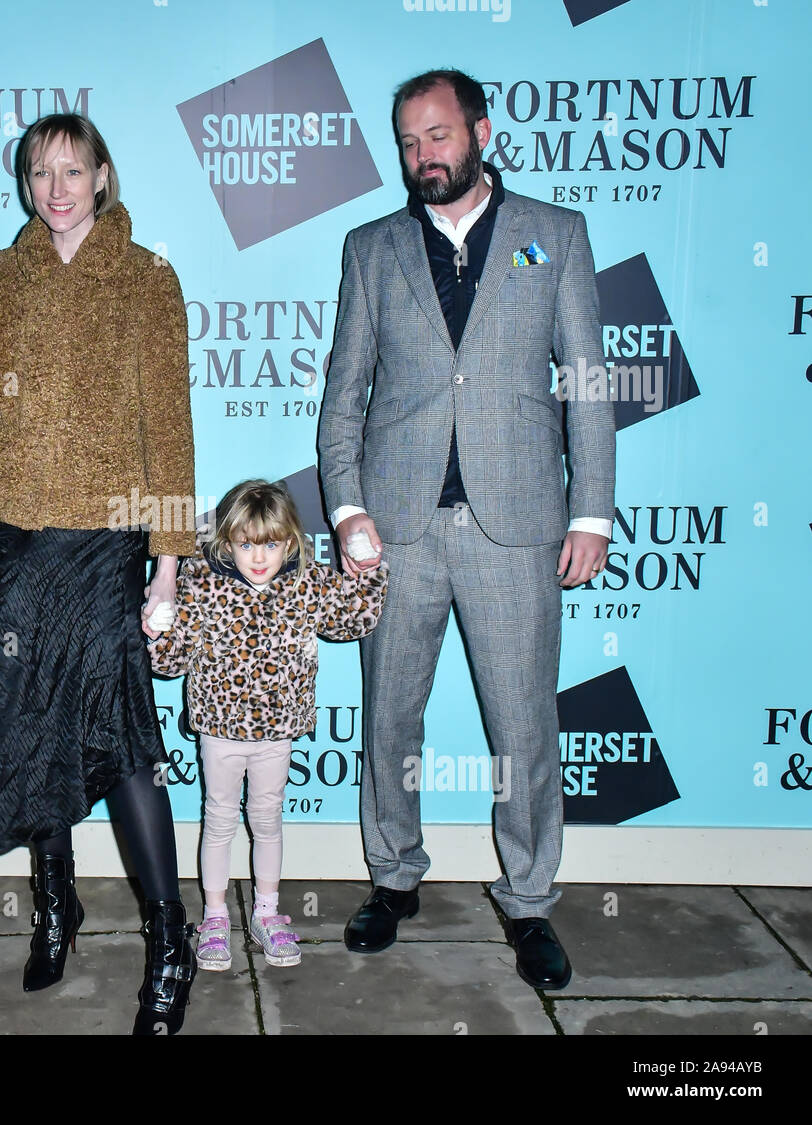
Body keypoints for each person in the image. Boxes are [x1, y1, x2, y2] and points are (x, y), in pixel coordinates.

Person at [317, 69, 615, 990]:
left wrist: (593, 510)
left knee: (523, 724)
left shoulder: (553, 235)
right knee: (390, 717)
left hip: (518, 525)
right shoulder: (370, 248)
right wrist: (347, 507)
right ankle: (393, 876)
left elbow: (590, 383)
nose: (424, 158)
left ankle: (528, 900)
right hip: (396, 530)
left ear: (481, 131)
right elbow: (343, 395)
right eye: (409, 143)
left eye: (439, 137)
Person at [0, 113, 199, 1033]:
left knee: (122, 734)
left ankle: (171, 938)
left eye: (72, 170)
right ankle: (57, 905)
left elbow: (172, 432)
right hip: (7, 535)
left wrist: (167, 565)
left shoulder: (148, 279)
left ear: (103, 175)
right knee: (29, 726)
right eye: (41, 171)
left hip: (106, 542)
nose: (56, 187)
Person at [147, 480, 386, 972]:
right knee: (218, 821)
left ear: (291, 540)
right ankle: (214, 917)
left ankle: (266, 912)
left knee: (268, 821)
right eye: (246, 544)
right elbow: (169, 664)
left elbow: (353, 619)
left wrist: (366, 571)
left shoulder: (306, 582)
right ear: (227, 542)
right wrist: (160, 628)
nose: (259, 557)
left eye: (272, 544)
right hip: (219, 728)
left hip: (278, 731)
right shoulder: (201, 583)